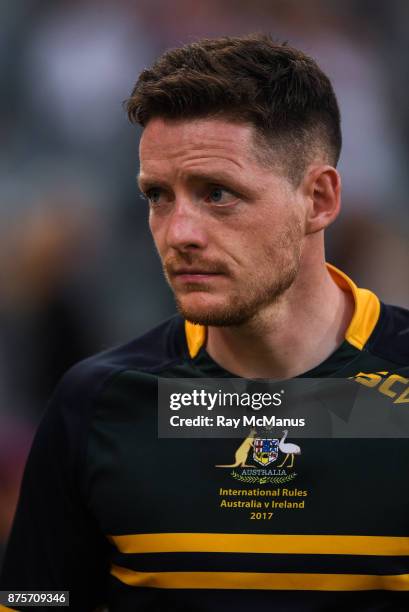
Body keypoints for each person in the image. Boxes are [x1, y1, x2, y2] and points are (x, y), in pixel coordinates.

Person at [1, 33, 409, 612]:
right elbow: (34, 599)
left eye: (218, 193)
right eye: (158, 197)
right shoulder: (95, 403)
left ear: (318, 199)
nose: (178, 233)